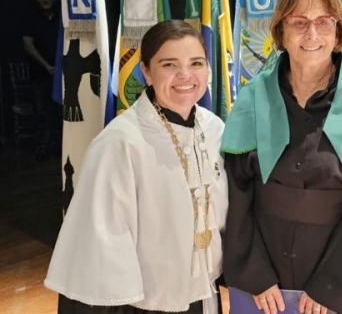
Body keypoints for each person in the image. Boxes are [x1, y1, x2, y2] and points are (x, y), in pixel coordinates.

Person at [221, 0, 342, 314]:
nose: (312, 34)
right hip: (262, 284)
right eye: (299, 23)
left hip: (333, 286)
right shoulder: (254, 99)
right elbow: (235, 192)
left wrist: (332, 286)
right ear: (281, 33)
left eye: (323, 22)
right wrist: (255, 274)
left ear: (338, 32)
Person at [45, 20, 228, 314]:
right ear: (146, 71)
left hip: (204, 291)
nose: (185, 75)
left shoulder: (215, 128)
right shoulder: (119, 143)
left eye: (196, 63)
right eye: (169, 64)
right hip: (146, 300)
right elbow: (101, 245)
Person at [22, 0, 62, 157]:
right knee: (42, 111)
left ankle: (60, 145)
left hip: (61, 74)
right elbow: (28, 46)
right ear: (36, 0)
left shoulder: (61, 18)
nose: (45, 0)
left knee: (60, 110)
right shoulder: (31, 19)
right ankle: (44, 147)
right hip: (40, 74)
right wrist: (47, 66)